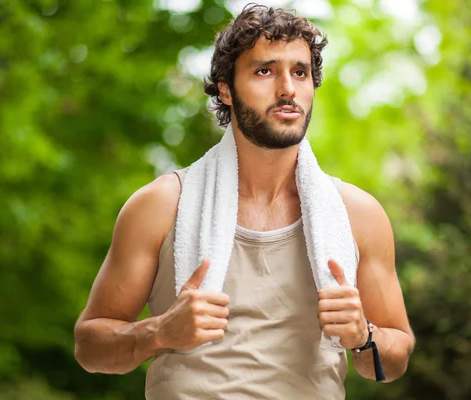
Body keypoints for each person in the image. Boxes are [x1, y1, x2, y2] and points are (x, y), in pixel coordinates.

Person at [74, 4, 415, 399]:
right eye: (265, 71)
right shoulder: (161, 205)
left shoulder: (358, 215)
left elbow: (395, 358)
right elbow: (90, 346)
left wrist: (363, 335)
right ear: (225, 89)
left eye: (300, 72)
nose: (287, 87)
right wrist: (160, 332)